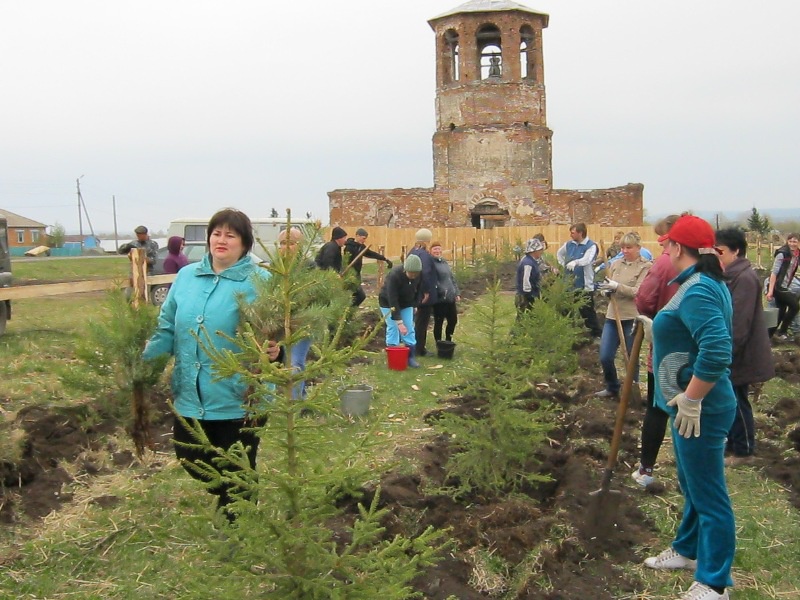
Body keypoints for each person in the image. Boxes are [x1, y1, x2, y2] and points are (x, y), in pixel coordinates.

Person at [142, 209, 282, 523]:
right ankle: (228, 496)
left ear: (245, 244)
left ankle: (239, 526)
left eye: (230, 235)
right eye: (216, 233)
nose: (221, 240)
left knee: (237, 467)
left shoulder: (261, 280)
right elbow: (166, 327)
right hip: (191, 392)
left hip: (239, 396)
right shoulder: (186, 277)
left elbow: (278, 331)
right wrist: (144, 365)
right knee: (191, 458)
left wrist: (275, 350)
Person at [641, 214, 736, 600]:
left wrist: (693, 399)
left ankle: (714, 581)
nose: (663, 249)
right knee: (692, 484)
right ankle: (687, 550)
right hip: (684, 406)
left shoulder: (696, 289)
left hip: (701, 410)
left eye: (666, 244)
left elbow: (716, 351)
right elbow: (692, 334)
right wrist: (660, 329)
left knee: (709, 494)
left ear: (679, 248)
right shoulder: (698, 284)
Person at [715, 228, 775, 465]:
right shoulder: (731, 275)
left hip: (742, 352)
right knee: (732, 398)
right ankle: (734, 444)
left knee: (738, 400)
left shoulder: (745, 278)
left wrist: (727, 353)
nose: (717, 255)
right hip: (735, 349)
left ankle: (744, 451)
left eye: (720, 251)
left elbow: (739, 321)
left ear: (736, 251)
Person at [632, 215, 681, 487]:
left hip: (665, 349)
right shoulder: (710, 266)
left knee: (657, 408)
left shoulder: (663, 264)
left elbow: (645, 299)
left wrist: (651, 317)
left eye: (664, 240)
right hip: (698, 352)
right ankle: (692, 470)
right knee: (690, 408)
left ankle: (647, 469)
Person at [594, 232, 651, 398]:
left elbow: (638, 292)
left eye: (629, 247)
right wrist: (607, 291)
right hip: (613, 316)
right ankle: (612, 387)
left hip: (632, 318)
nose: (625, 251)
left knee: (631, 360)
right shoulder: (616, 264)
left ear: (638, 248)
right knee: (605, 356)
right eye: (623, 247)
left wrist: (617, 286)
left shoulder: (645, 267)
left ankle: (631, 392)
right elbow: (609, 286)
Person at [278, 227, 314, 399]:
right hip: (280, 324)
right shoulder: (275, 267)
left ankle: (294, 406)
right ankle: (302, 397)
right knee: (289, 362)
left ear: (300, 246)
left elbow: (317, 296)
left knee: (295, 363)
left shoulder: (309, 267)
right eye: (282, 243)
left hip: (302, 323)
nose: (286, 247)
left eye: (291, 243)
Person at [556, 223, 602, 337]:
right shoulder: (569, 245)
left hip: (585, 285)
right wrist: (564, 264)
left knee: (586, 310)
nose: (571, 235)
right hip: (569, 284)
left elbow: (587, 260)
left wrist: (576, 262)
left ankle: (596, 334)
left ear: (580, 233)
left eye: (573, 232)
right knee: (566, 309)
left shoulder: (591, 246)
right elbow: (559, 254)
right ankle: (569, 332)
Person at [378, 254, 424, 368]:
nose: (413, 276)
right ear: (405, 270)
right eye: (410, 273)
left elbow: (419, 291)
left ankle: (410, 358)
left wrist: (415, 305)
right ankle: (393, 357)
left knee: (409, 327)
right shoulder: (394, 275)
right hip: (388, 303)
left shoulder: (419, 274)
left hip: (407, 303)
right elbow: (392, 299)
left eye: (415, 274)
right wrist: (399, 322)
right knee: (393, 327)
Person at [343, 228, 393, 306]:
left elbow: (371, 254)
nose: (364, 240)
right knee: (357, 295)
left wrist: (385, 259)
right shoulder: (349, 247)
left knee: (358, 296)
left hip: (357, 274)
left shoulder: (361, 247)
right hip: (349, 274)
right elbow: (345, 261)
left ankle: (349, 312)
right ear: (357, 236)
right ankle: (346, 312)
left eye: (365, 239)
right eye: (363, 238)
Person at [409, 228, 438, 356]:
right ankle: (420, 349)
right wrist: (426, 291)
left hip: (414, 290)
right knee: (422, 321)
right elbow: (425, 272)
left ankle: (413, 345)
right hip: (423, 293)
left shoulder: (412, 251)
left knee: (416, 320)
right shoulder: (424, 255)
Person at [765, 232, 800, 340]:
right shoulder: (782, 253)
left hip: (785, 287)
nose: (792, 244)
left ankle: (768, 337)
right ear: (787, 241)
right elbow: (774, 273)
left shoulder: (797, 254)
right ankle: (782, 331)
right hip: (778, 287)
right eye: (790, 241)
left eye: (795, 241)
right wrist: (770, 291)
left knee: (780, 313)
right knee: (795, 306)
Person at [430, 241, 460, 343]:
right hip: (440, 298)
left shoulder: (444, 262)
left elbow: (451, 278)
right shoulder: (431, 264)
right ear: (431, 251)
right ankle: (438, 342)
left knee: (453, 320)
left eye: (439, 249)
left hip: (450, 296)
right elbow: (432, 279)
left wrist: (456, 292)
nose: (437, 251)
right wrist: (441, 289)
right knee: (439, 321)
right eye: (435, 249)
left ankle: (448, 340)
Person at [515, 237, 545, 314]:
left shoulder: (531, 261)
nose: (541, 252)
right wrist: (529, 295)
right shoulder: (528, 263)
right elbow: (526, 279)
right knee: (524, 317)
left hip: (529, 295)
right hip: (526, 297)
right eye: (539, 250)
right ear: (533, 251)